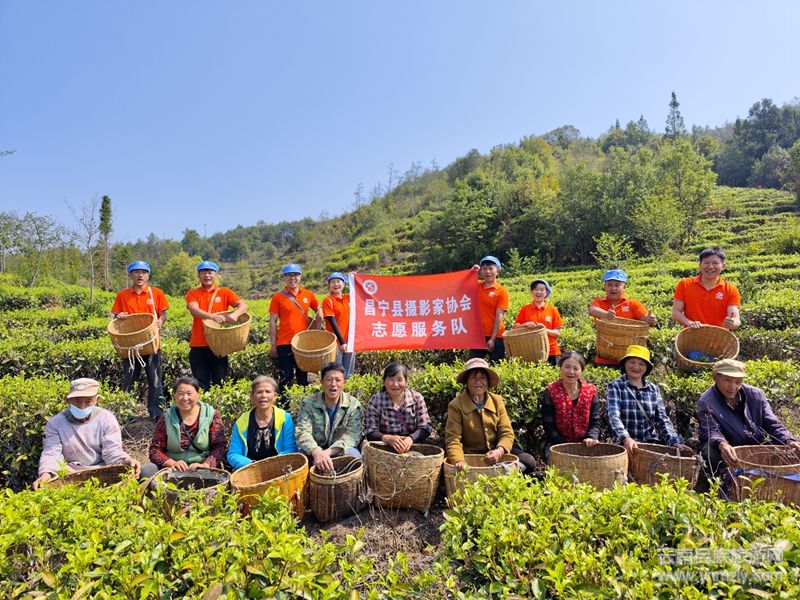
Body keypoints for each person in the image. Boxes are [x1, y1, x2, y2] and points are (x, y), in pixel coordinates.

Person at [696, 359, 800, 492]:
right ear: (716, 377)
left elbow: (772, 424)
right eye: (728, 380)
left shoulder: (756, 395)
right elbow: (711, 430)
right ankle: (717, 486)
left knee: (787, 450)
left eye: (738, 382)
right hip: (729, 445)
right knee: (711, 452)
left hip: (755, 443)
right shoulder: (706, 401)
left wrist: (789, 440)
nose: (732, 387)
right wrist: (723, 444)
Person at [34, 378, 140, 489]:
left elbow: (112, 451)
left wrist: (126, 460)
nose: (82, 406)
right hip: (70, 475)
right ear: (67, 400)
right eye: (77, 401)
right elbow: (52, 453)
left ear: (97, 400)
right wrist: (47, 473)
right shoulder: (55, 423)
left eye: (88, 401)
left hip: (103, 472)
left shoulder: (106, 419)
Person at [445, 358, 536, 472]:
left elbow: (507, 432)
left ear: (487, 382)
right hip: (471, 456)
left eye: (482, 377)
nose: (478, 381)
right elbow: (453, 439)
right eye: (473, 377)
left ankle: (505, 473)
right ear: (467, 382)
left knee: (529, 461)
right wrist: (459, 460)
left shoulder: (497, 401)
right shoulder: (456, 405)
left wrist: (499, 451)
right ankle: (502, 473)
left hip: (495, 452)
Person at [606, 345, 691, 458]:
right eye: (632, 362)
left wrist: (674, 441)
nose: (636, 367)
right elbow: (613, 416)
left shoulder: (653, 389)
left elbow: (662, 419)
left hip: (649, 444)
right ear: (625, 363)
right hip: (624, 446)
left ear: (647, 368)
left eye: (641, 364)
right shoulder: (616, 386)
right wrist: (625, 438)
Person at [111, 260, 169, 418]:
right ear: (131, 275)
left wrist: (160, 321)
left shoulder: (156, 293)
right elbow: (116, 316)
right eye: (136, 272)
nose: (140, 275)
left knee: (155, 379)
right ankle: (127, 413)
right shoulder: (123, 295)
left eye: (143, 272)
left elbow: (163, 314)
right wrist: (119, 315)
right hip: (130, 344)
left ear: (148, 276)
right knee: (130, 378)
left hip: (151, 343)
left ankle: (156, 413)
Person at [141, 376, 227, 478]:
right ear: (174, 396)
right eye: (180, 394)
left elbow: (220, 446)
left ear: (198, 394)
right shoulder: (167, 417)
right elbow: (155, 450)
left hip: (202, 469)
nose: (185, 398)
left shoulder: (212, 415)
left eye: (189, 394)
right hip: (172, 470)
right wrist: (171, 463)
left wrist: (206, 465)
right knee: (146, 471)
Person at [186, 260, 248, 391]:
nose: (207, 275)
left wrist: (235, 314)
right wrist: (212, 317)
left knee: (220, 382)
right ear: (198, 275)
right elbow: (193, 309)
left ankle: (218, 405)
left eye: (210, 272)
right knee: (200, 383)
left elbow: (243, 306)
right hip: (198, 344)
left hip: (219, 346)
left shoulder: (224, 292)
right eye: (203, 272)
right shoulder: (193, 293)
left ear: (216, 275)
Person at [295, 362, 363, 473]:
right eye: (329, 380)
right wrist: (316, 451)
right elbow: (302, 432)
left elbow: (352, 436)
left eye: (338, 380)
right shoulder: (309, 404)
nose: (333, 384)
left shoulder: (353, 405)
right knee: (298, 462)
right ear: (321, 382)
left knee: (356, 458)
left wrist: (326, 453)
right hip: (314, 450)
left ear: (344, 383)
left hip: (340, 450)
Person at [588, 269, 657, 366]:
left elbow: (647, 319)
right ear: (604, 286)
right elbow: (592, 310)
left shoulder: (632, 304)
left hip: (630, 360)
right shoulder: (598, 302)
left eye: (617, 285)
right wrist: (606, 314)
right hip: (604, 358)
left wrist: (652, 319)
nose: (613, 288)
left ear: (624, 287)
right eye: (609, 285)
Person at [269, 263, 321, 393]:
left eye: (296, 275)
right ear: (284, 277)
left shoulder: (308, 294)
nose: (293, 278)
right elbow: (272, 322)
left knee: (303, 376)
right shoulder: (277, 297)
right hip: (284, 343)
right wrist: (273, 345)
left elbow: (319, 311)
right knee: (285, 377)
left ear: (300, 277)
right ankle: (284, 403)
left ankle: (302, 402)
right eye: (289, 275)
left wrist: (318, 331)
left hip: (302, 343)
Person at [227, 376, 298, 470]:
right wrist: (253, 465)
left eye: (268, 392)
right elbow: (233, 454)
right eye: (259, 392)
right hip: (250, 470)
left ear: (275, 396)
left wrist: (273, 464)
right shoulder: (242, 422)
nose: (264, 395)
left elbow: (291, 449)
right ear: (252, 396)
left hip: (279, 469)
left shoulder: (284, 418)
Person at [541, 352, 600, 459]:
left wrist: (591, 437)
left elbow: (595, 420)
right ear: (560, 368)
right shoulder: (551, 391)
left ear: (581, 371)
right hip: (558, 444)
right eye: (567, 367)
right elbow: (548, 425)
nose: (571, 372)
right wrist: (564, 444)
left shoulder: (591, 391)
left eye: (576, 368)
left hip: (586, 444)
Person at [364, 361, 433, 453]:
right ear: (384, 382)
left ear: (406, 382)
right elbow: (370, 431)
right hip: (384, 450)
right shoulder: (376, 400)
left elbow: (425, 427)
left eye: (399, 380)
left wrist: (411, 439)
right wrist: (388, 438)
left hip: (413, 450)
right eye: (391, 379)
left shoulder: (417, 398)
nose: (395, 384)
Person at [672, 247, 741, 330]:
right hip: (692, 334)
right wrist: (689, 323)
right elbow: (676, 312)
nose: (710, 266)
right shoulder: (685, 284)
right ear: (700, 265)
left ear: (723, 266)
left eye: (715, 263)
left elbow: (736, 318)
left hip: (719, 336)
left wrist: (733, 323)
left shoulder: (730, 289)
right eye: (706, 263)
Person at [513, 278, 563, 365]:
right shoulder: (525, 309)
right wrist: (525, 325)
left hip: (551, 351)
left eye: (542, 290)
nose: (539, 292)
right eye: (536, 289)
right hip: (530, 352)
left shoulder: (552, 310)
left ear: (546, 293)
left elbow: (557, 333)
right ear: (531, 292)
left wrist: (544, 329)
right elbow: (515, 328)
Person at [469, 256, 509, 363]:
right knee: (473, 365)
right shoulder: (476, 286)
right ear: (481, 271)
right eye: (484, 269)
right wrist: (472, 272)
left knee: (497, 366)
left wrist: (492, 339)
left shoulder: (501, 291)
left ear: (497, 271)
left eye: (491, 268)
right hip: (478, 336)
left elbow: (499, 315)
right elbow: (462, 284)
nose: (487, 272)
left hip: (496, 337)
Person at [321, 272, 355, 379]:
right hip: (336, 342)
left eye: (338, 281)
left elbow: (360, 293)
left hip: (350, 341)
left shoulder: (349, 298)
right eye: (333, 282)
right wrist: (342, 342)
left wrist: (353, 279)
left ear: (344, 284)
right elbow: (332, 322)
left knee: (348, 374)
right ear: (329, 285)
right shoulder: (328, 300)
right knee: (336, 373)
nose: (336, 284)